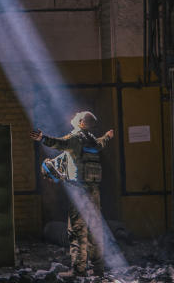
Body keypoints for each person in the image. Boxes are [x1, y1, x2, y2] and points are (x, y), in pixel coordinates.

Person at [31, 111, 115, 279]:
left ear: (82, 123)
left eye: (79, 115)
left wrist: (42, 138)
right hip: (94, 191)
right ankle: (98, 269)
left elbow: (59, 143)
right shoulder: (92, 140)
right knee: (94, 230)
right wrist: (107, 136)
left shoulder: (76, 138)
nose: (76, 114)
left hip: (80, 191)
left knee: (77, 231)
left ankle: (78, 271)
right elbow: (101, 143)